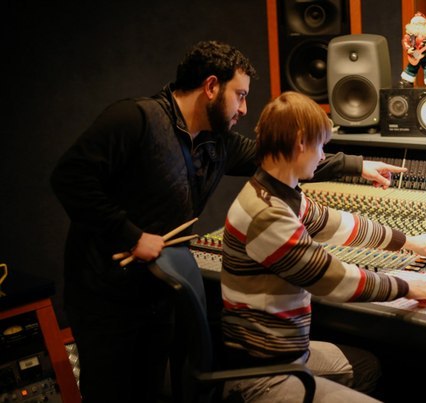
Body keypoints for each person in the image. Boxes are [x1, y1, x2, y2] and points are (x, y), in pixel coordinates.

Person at [50, 40, 407, 402]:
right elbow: (69, 178)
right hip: (107, 294)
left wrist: (356, 165)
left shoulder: (215, 142)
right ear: (210, 86)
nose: (244, 108)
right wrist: (131, 235)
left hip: (156, 290)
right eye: (240, 95)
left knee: (149, 392)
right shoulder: (135, 119)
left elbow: (279, 155)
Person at [221, 91, 426, 402]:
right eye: (321, 146)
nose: (323, 156)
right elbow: (334, 280)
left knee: (367, 367)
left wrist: (409, 242)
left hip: (289, 355)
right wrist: (407, 287)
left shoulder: (275, 191)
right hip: (264, 375)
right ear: (300, 142)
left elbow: (339, 225)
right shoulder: (266, 214)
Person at [400, 12, 426, 88]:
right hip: (416, 53)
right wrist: (408, 49)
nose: (419, 26)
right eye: (416, 24)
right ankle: (407, 81)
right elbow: (405, 41)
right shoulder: (410, 35)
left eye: (421, 24)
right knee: (413, 65)